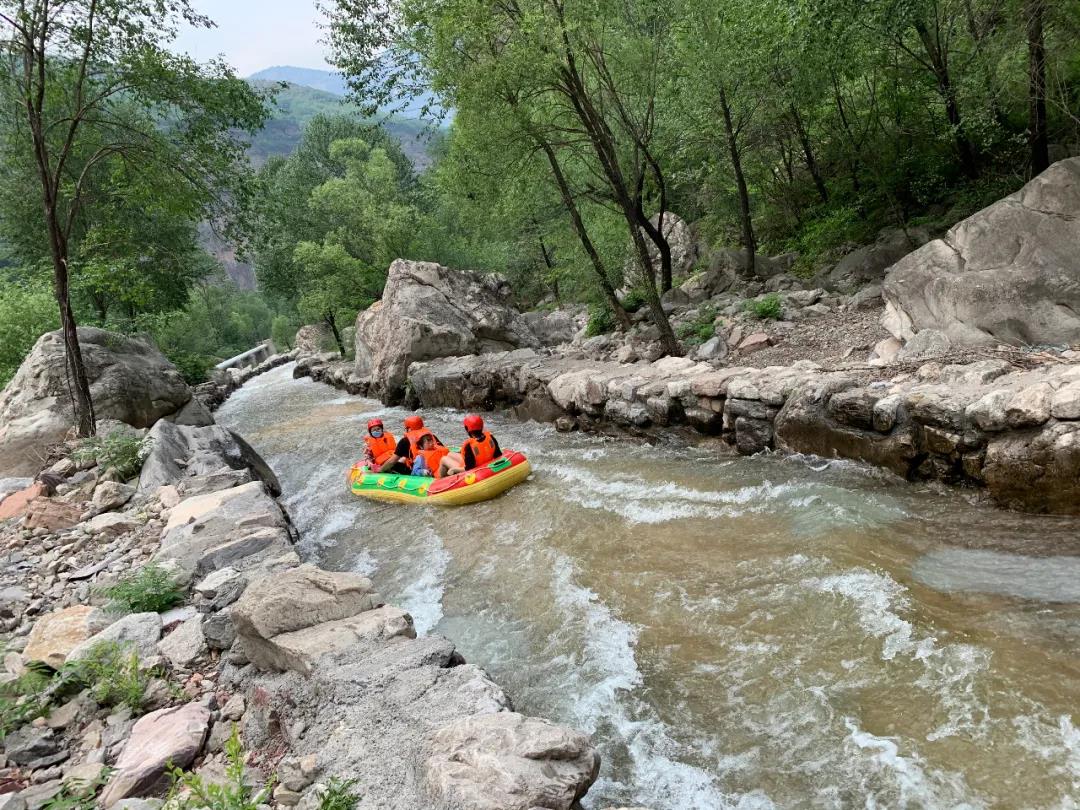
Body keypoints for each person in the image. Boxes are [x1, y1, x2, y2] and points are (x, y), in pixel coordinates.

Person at [378, 414, 445, 474]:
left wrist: (380, 470)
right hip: (437, 467)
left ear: (409, 428)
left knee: (393, 465)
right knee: (404, 459)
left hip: (417, 470)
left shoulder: (404, 441)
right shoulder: (431, 436)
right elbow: (443, 451)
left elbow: (392, 461)